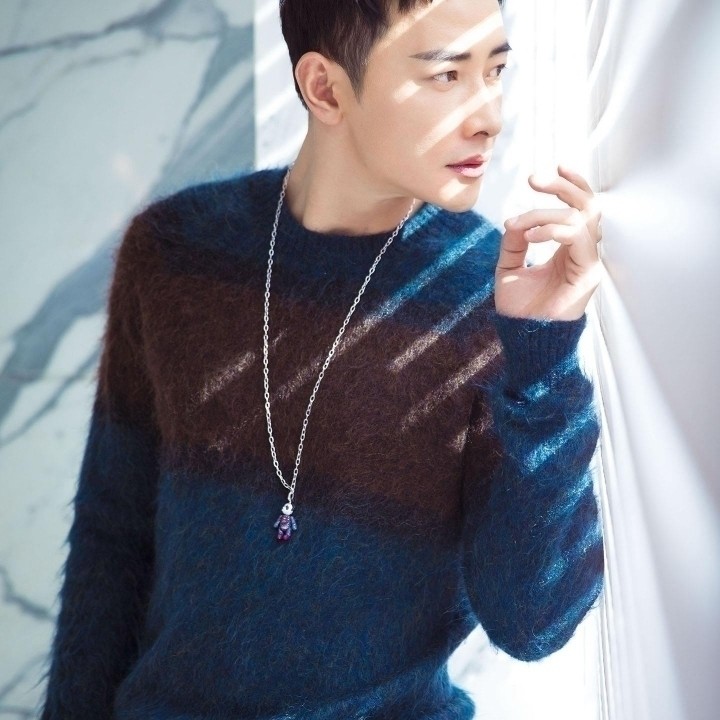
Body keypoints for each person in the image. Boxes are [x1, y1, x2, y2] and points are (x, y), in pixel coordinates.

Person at [39, 0, 605, 718]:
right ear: (325, 88)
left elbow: (533, 622)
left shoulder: (489, 296)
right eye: (446, 75)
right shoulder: (176, 254)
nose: (489, 116)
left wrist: (544, 357)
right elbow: (111, 539)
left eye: (495, 71)